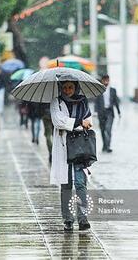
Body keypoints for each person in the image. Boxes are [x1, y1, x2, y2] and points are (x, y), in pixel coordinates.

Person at [50, 81, 93, 232]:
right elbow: (58, 121)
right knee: (66, 184)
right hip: (63, 146)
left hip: (80, 146)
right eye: (65, 87)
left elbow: (89, 120)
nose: (68, 90)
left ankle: (83, 219)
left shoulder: (83, 101)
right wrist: (79, 123)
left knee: (81, 183)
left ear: (76, 88)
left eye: (71, 87)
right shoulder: (56, 102)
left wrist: (83, 123)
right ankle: (68, 219)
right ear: (61, 88)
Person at [94, 74, 121, 153]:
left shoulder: (113, 90)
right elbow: (96, 102)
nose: (106, 81)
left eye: (107, 80)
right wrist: (95, 111)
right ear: (102, 81)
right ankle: (104, 145)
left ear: (109, 80)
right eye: (104, 80)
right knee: (103, 130)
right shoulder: (99, 90)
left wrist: (119, 112)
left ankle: (108, 146)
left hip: (110, 112)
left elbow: (116, 101)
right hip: (101, 112)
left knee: (108, 129)